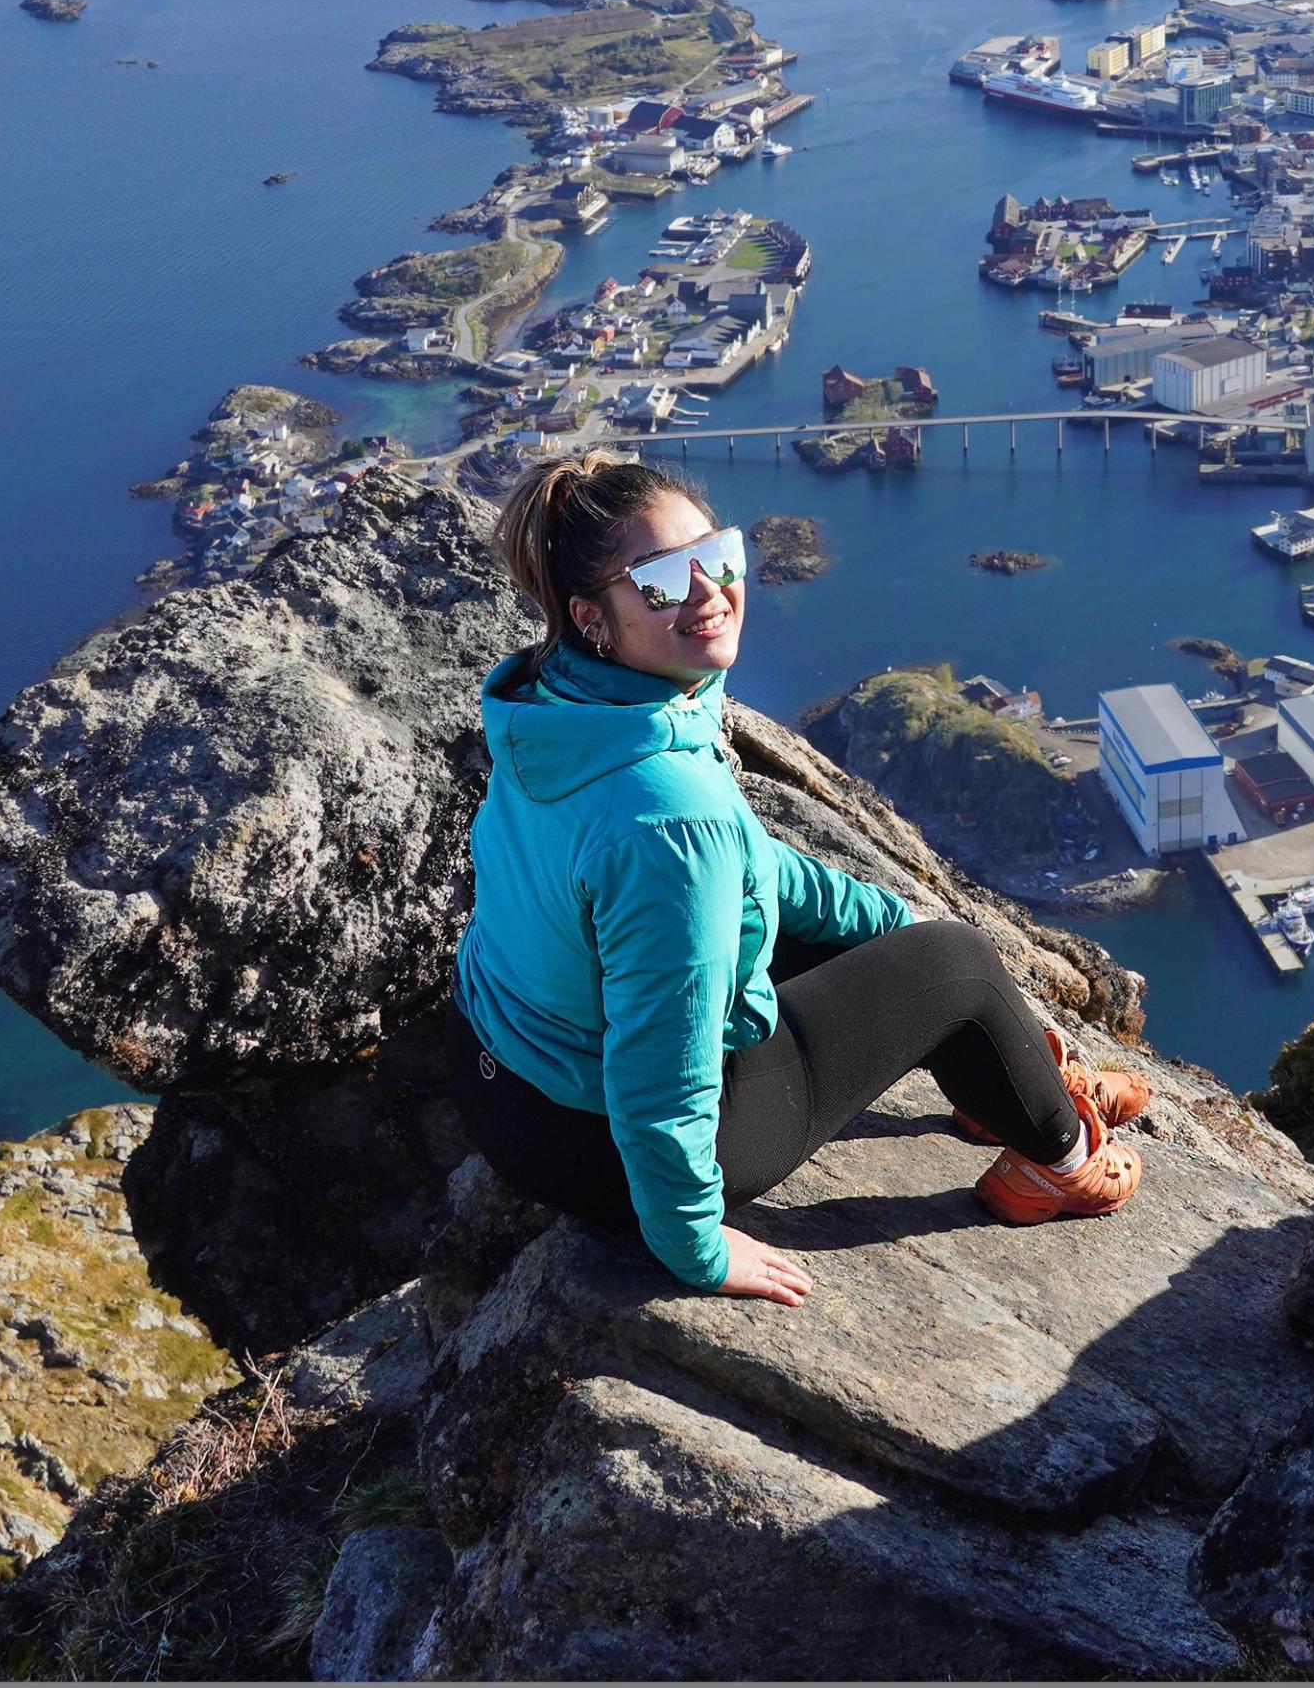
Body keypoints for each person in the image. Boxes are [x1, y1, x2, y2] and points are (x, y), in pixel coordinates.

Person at [453, 452, 1146, 1305]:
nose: (709, 591)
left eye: (718, 555)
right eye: (664, 580)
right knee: (959, 964)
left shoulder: (563, 708)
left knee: (899, 947)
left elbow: (749, 868)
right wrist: (694, 1244)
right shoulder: (669, 814)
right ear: (592, 615)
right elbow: (660, 1057)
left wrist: (890, 926)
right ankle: (1060, 1161)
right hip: (599, 1150)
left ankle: (1001, 1079)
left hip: (505, 1079)